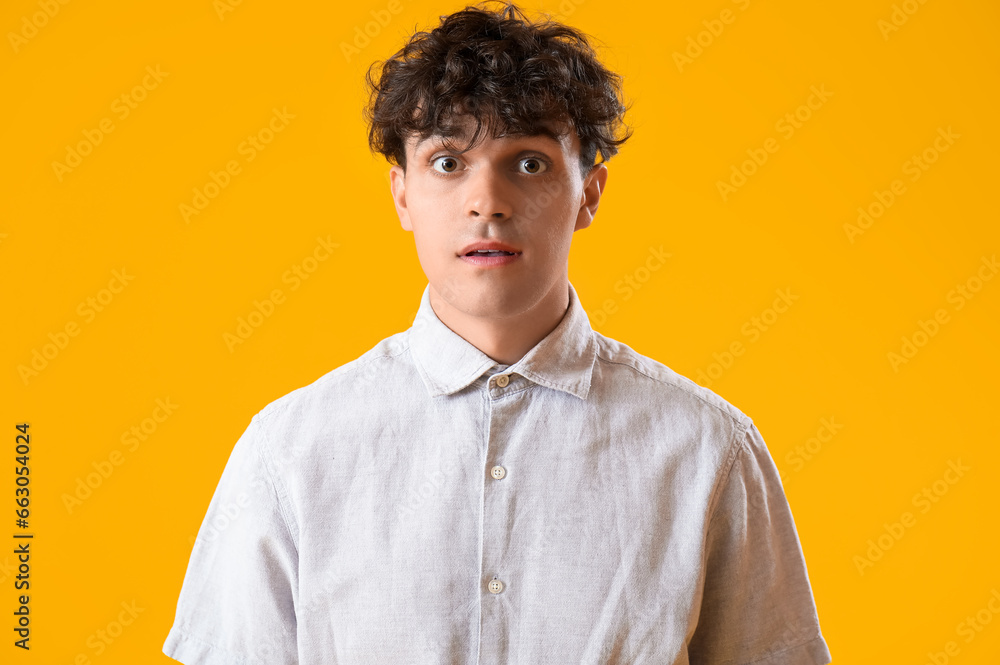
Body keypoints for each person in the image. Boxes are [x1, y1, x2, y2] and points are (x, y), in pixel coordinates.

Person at [163, 2, 833, 663]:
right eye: (448, 163)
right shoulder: (290, 452)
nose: (487, 200)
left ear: (590, 193)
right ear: (402, 193)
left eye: (530, 162)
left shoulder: (706, 449)